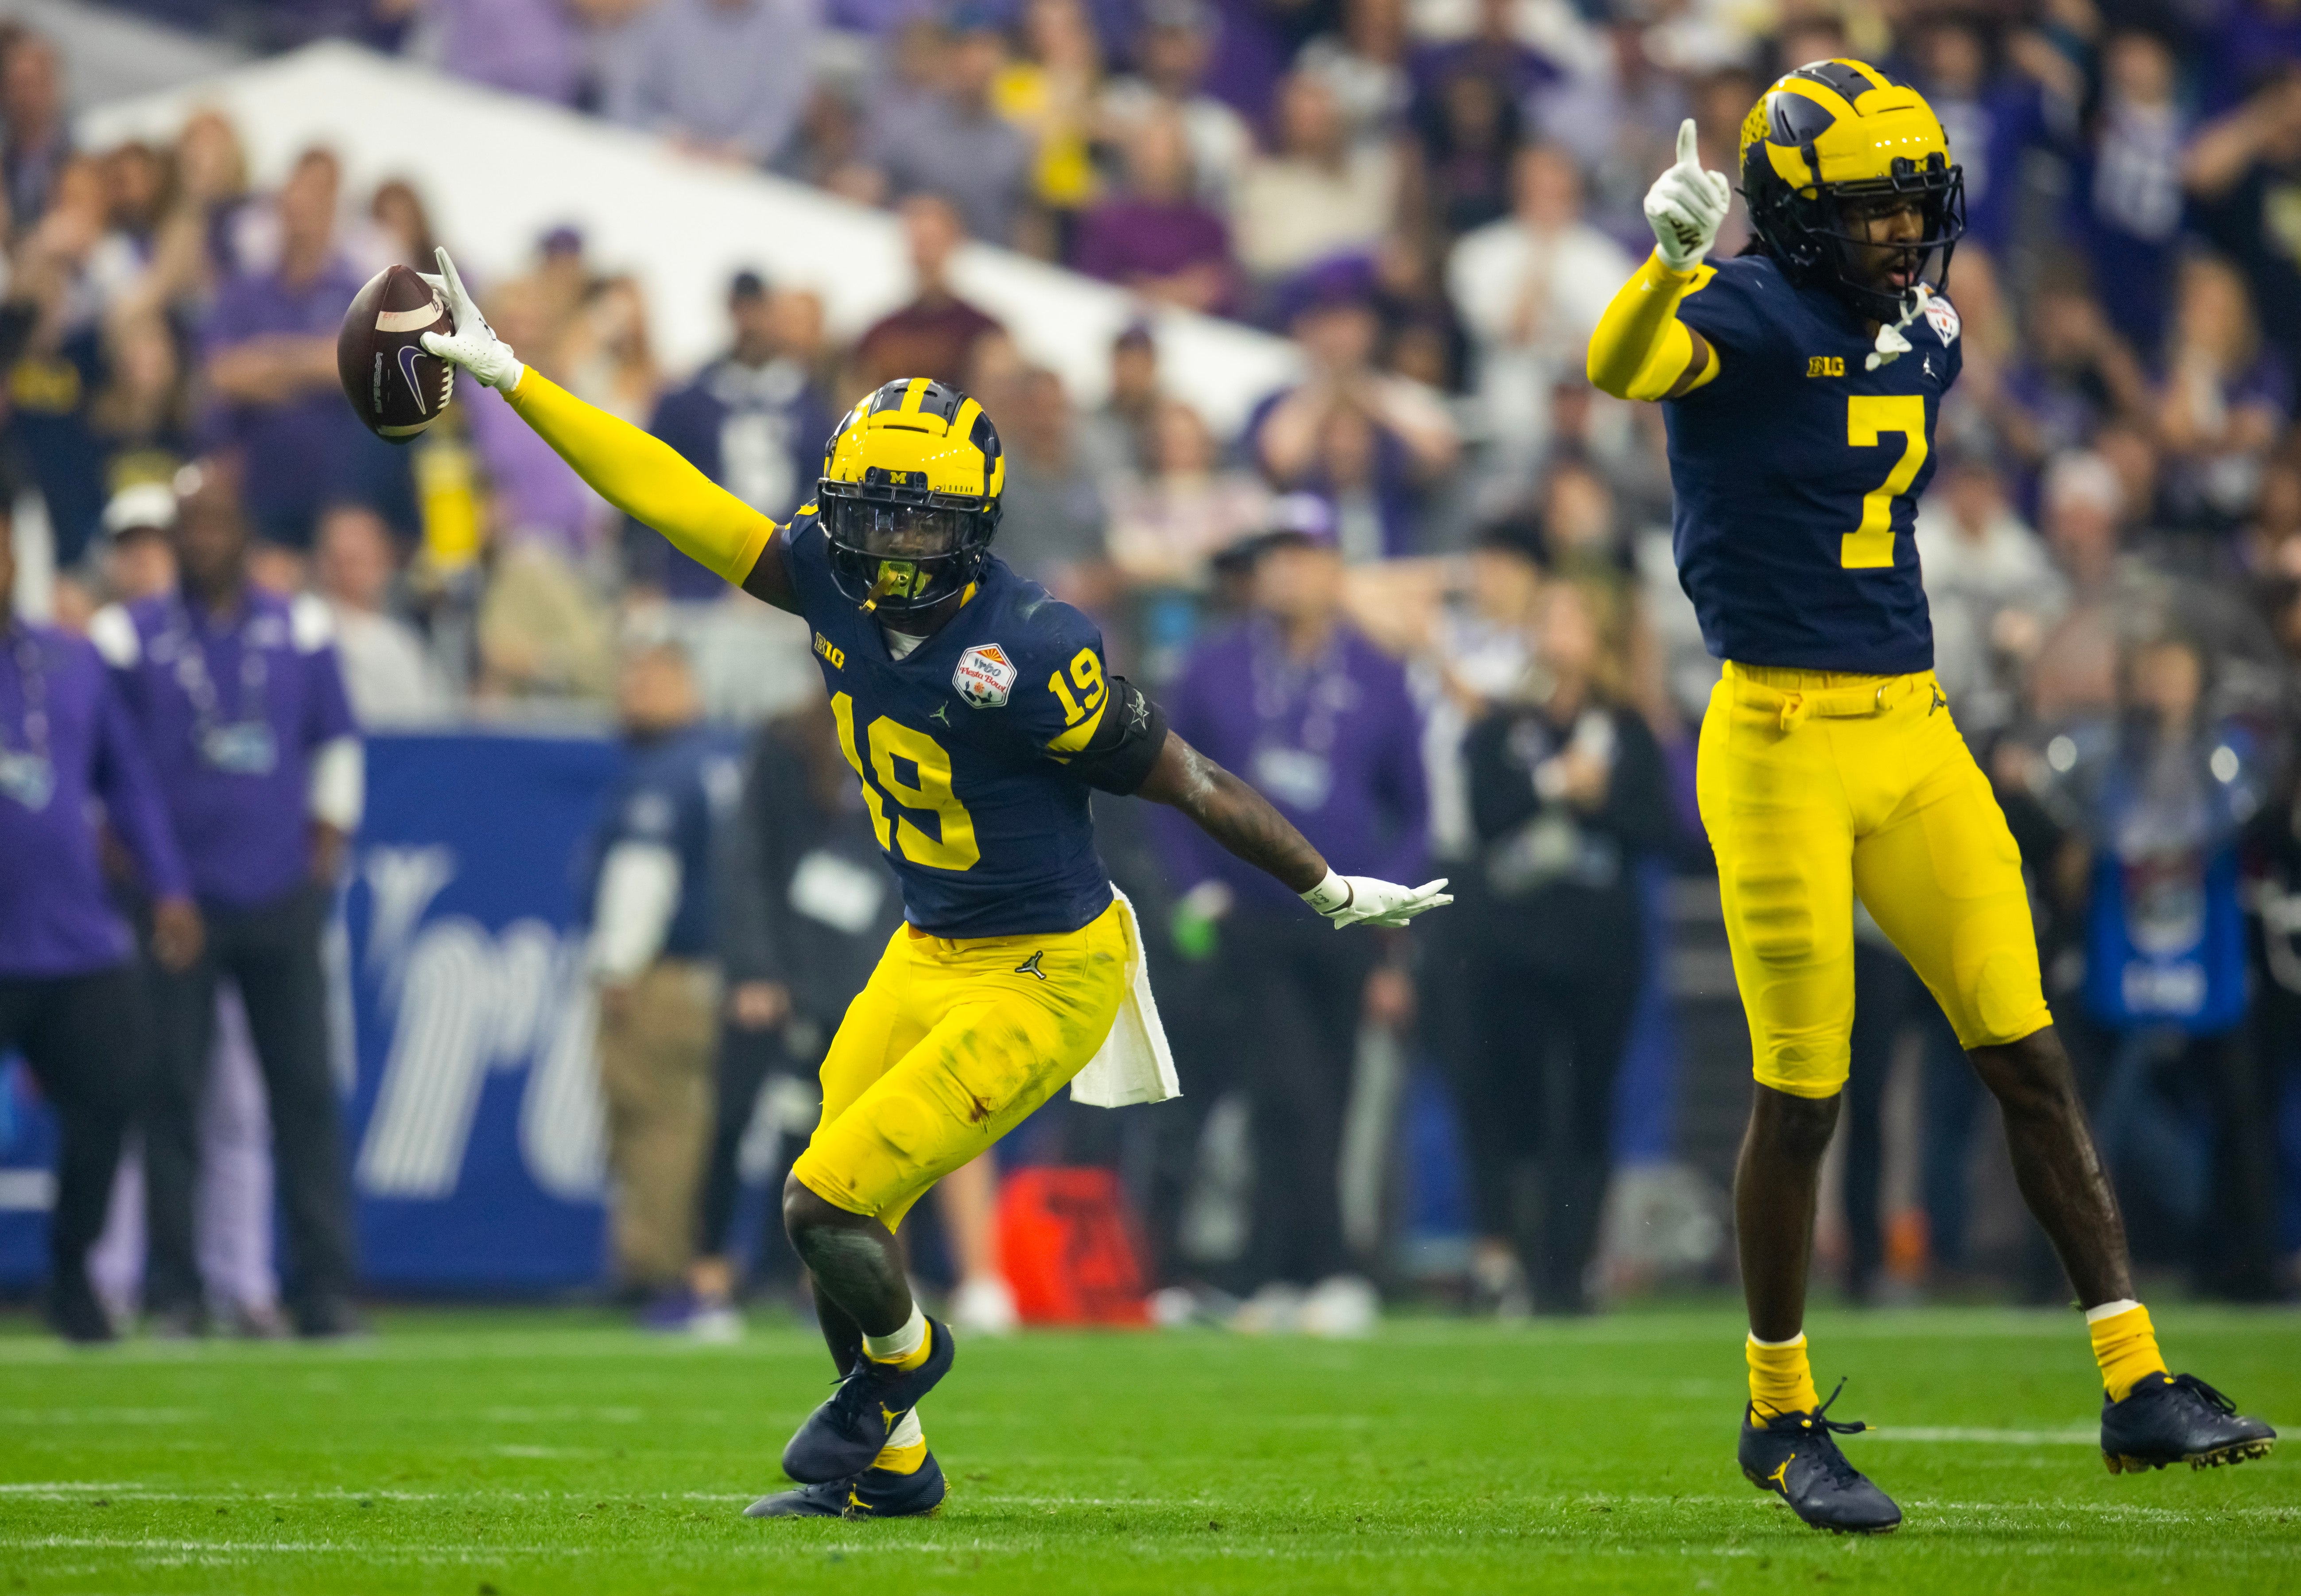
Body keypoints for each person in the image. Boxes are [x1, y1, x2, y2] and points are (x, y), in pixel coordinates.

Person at [417, 247, 1448, 1518]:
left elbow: (1187, 776)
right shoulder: (826, 582)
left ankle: (908, 1364)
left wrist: (1322, 882)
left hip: (1046, 966)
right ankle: (895, 1464)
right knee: (840, 1197)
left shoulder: (1032, 649)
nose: (890, 540)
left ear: (974, 525)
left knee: (823, 1203)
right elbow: (669, 494)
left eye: (917, 516)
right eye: (873, 510)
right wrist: (514, 375)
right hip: (927, 944)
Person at [1584, 70, 2275, 1533]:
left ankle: (2135, 1379)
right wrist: (1667, 264)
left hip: (1913, 726)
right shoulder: (1738, 310)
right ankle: (1776, 1416)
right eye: (1867, 208)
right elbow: (1619, 369)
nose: (1902, 231)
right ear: (1793, 218)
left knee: (2024, 1051)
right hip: (1773, 738)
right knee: (1804, 1090)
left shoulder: (1927, 327)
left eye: (1913, 202)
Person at [91, 462, 366, 1339]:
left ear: (245, 529)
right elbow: (103, 766)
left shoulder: (302, 624)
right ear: (173, 536)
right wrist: (137, 872)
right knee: (168, 1090)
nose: (204, 538)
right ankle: (178, 1289)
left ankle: (323, 1288)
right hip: (176, 899)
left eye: (217, 522)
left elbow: (335, 745)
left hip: (277, 887)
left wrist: (324, 842)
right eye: (190, 524)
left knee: (304, 1094)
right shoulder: (125, 636)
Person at [1156, 499, 1428, 1335]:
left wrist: (1388, 900)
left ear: (1335, 568)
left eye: (1304, 553)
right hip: (1253, 914)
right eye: (1274, 554)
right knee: (1288, 1088)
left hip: (1339, 916)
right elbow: (1160, 784)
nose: (1287, 569)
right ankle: (1330, 1266)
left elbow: (1415, 808)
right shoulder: (1211, 667)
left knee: (1328, 1092)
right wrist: (1197, 888)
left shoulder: (1379, 673)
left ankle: (1272, 1270)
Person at [0, 497, 201, 1341]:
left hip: (73, 934)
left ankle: (73, 1270)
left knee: (116, 1087)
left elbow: (129, 785)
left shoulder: (73, 663)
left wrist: (171, 888)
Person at [1460, 578, 1673, 1315]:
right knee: (1516, 1107)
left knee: (1588, 1108)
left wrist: (1602, 799)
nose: (1563, 633)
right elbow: (1486, 818)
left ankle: (1574, 1269)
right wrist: (1557, 784)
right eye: (1551, 617)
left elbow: (1661, 830)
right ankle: (1514, 1266)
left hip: (1600, 948)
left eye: (1578, 617)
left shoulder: (1627, 729)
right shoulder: (1500, 728)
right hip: (1514, 946)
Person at [585, 638, 740, 1322]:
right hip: (717, 971)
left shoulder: (665, 771)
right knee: (682, 1120)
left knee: (656, 1123)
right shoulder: (724, 760)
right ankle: (668, 1260)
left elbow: (643, 874)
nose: (631, 693)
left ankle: (662, 1267)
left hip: (665, 972)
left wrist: (618, 962)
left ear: (686, 685)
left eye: (648, 680)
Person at [636, 272, 839, 598]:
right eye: (742, 309)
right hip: (701, 572)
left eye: (758, 309)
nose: (751, 322)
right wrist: (644, 574)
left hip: (788, 570)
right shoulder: (688, 400)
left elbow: (827, 485)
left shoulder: (809, 400)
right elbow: (649, 478)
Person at [604, 0, 820, 167]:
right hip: (655, 157)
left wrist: (742, 150)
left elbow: (781, 109)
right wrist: (665, 137)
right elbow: (628, 91)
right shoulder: (664, 10)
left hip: (745, 175)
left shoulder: (787, 21)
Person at [853, 196, 1005, 394]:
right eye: (918, 240)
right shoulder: (881, 334)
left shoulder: (984, 331)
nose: (924, 251)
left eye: (932, 240)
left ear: (955, 242)